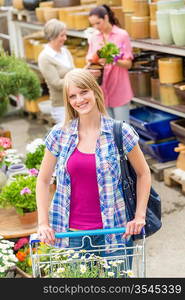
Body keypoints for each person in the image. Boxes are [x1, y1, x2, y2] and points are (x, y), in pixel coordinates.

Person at [36, 68, 151, 262]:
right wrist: (43, 223)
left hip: (115, 233)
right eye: (73, 96)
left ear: (95, 90)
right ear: (68, 101)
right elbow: (43, 180)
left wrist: (139, 216)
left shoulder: (120, 132)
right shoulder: (59, 134)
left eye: (83, 92)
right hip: (70, 235)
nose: (79, 99)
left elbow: (144, 174)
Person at [86, 5, 134, 123]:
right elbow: (90, 60)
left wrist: (113, 61)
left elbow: (128, 64)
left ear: (106, 17)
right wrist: (92, 67)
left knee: (122, 130)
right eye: (93, 25)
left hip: (119, 89)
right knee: (108, 130)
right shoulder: (94, 37)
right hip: (101, 90)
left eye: (98, 23)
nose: (96, 27)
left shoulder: (122, 35)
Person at [38, 18, 74, 124]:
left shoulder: (65, 51)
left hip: (75, 102)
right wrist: (78, 77)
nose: (65, 38)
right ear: (52, 36)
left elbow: (72, 71)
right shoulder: (45, 58)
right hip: (61, 108)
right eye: (62, 35)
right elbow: (56, 84)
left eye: (65, 35)